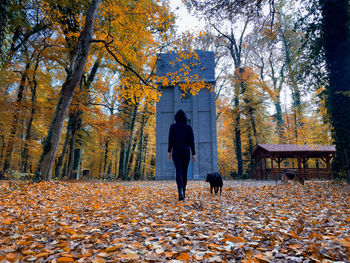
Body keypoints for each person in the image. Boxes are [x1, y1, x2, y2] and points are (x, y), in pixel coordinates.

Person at [168, 109, 196, 200]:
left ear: (176, 117)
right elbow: (192, 141)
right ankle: (183, 191)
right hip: (186, 152)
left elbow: (170, 140)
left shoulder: (173, 127)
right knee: (184, 172)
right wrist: (194, 153)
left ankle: (180, 191)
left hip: (176, 152)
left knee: (178, 172)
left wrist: (169, 151)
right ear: (185, 118)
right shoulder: (189, 127)